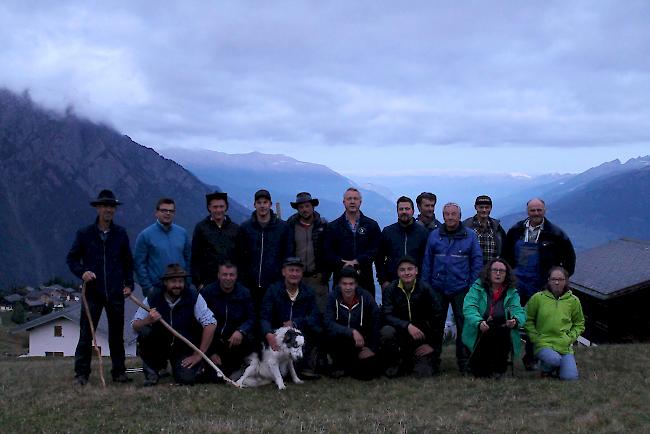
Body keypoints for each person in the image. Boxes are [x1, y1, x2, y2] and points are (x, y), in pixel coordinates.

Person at [66, 189, 134, 385]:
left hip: (115, 291)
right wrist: (82, 272)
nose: (108, 210)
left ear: (115, 209)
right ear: (97, 208)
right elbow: (71, 259)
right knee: (87, 333)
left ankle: (119, 372)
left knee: (116, 334)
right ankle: (81, 374)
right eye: (104, 206)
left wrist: (129, 284)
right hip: (93, 292)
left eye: (111, 206)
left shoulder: (120, 234)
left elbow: (128, 261)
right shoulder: (84, 234)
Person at [503, 197, 576, 370]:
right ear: (527, 211)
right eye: (532, 210)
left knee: (538, 322)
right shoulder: (515, 230)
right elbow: (505, 255)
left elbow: (570, 259)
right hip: (517, 283)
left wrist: (559, 279)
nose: (536, 213)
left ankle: (532, 358)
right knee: (508, 317)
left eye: (539, 210)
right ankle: (505, 356)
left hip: (541, 284)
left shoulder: (556, 234)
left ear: (545, 210)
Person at [421, 202, 483, 372]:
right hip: (437, 288)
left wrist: (471, 286)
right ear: (443, 216)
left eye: (453, 214)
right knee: (435, 326)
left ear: (459, 216)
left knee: (464, 326)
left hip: (461, 289)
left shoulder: (470, 236)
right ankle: (433, 362)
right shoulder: (434, 235)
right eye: (446, 214)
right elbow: (427, 262)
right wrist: (427, 287)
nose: (450, 217)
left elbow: (477, 262)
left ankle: (464, 362)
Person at [132, 264, 217, 386]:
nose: (177, 285)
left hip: (183, 346)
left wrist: (198, 355)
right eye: (173, 281)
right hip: (160, 344)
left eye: (180, 281)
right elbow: (135, 325)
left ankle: (189, 368)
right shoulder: (153, 296)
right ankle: (153, 370)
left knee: (186, 379)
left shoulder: (193, 297)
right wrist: (148, 320)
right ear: (166, 282)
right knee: (145, 332)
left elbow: (211, 323)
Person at [462, 259, 526, 378]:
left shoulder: (512, 292)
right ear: (488, 272)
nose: (498, 273)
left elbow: (519, 311)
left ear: (506, 274)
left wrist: (515, 320)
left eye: (501, 271)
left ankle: (499, 369)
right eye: (495, 270)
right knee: (487, 332)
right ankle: (481, 367)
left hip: (502, 329)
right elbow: (469, 307)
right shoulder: (476, 288)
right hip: (481, 327)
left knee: (502, 332)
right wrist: (478, 321)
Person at [381, 256, 443, 377]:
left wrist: (432, 345)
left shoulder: (426, 289)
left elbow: (438, 318)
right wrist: (407, 326)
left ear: (416, 271)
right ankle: (394, 362)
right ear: (397, 272)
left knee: (422, 374)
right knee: (386, 331)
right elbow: (387, 315)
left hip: (421, 337)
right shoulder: (390, 290)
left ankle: (420, 360)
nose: (407, 273)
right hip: (400, 335)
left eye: (410, 269)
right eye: (402, 270)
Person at [260, 257, 322, 378]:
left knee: (318, 330)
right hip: (278, 337)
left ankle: (306, 367)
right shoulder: (273, 291)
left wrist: (295, 323)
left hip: (300, 336)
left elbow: (314, 316)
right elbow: (264, 317)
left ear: (301, 273)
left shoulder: (308, 292)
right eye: (291, 270)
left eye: (297, 270)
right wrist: (268, 334)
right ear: (284, 272)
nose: (294, 274)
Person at [524, 266, 585, 381]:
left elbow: (579, 323)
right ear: (548, 280)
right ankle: (546, 369)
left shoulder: (573, 301)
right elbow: (528, 319)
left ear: (566, 281)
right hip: (543, 343)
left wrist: (570, 338)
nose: (557, 282)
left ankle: (557, 368)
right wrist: (535, 337)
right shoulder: (538, 298)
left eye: (560, 279)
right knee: (554, 360)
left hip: (564, 346)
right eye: (553, 279)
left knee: (570, 378)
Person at [200, 262, 256, 379]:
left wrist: (241, 331)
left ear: (236, 276)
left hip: (233, 341)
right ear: (218, 275)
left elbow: (251, 318)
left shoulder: (244, 293)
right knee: (213, 377)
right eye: (224, 274)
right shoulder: (207, 292)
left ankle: (240, 366)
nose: (228, 278)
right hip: (212, 341)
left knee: (251, 338)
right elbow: (198, 323)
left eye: (231, 275)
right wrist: (211, 352)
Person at [237, 189, 293, 306]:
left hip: (275, 285)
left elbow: (288, 255)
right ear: (254, 205)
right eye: (259, 202)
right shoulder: (245, 228)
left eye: (265, 202)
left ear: (270, 204)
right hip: (249, 285)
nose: (262, 206)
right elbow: (240, 257)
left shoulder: (283, 228)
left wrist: (283, 280)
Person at [324, 267, 380, 380]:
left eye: (351, 284)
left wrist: (372, 348)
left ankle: (347, 367)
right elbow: (328, 322)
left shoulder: (366, 297)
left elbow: (377, 321)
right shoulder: (332, 297)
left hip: (361, 342)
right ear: (339, 284)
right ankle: (339, 364)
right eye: (344, 284)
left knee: (367, 375)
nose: (348, 287)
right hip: (340, 340)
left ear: (356, 284)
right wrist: (351, 331)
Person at [324, 187, 381, 295]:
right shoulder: (333, 227)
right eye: (349, 199)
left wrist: (358, 261)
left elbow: (375, 250)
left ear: (360, 202)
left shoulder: (371, 225)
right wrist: (342, 263)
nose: (352, 201)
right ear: (344, 202)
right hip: (341, 278)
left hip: (365, 279)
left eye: (355, 198)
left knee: (366, 309)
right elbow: (328, 252)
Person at [134, 198, 191, 297]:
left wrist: (188, 283)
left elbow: (189, 259)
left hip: (180, 288)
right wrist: (148, 288)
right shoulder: (145, 235)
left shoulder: (182, 233)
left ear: (174, 213)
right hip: (156, 289)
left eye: (171, 211)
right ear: (156, 213)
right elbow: (139, 264)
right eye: (164, 210)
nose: (167, 213)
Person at [287, 192, 330, 311]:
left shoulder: (323, 226)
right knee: (298, 314)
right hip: (296, 279)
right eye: (301, 207)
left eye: (307, 206)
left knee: (321, 313)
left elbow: (328, 251)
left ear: (313, 206)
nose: (304, 209)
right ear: (297, 209)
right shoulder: (290, 226)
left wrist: (325, 274)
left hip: (317, 278)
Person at [376, 196, 429, 290]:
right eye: (401, 209)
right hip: (392, 285)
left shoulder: (423, 233)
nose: (404, 211)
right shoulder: (388, 232)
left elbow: (427, 260)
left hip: (417, 286)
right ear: (397, 212)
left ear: (413, 211)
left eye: (407, 209)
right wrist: (383, 281)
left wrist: (424, 283)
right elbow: (379, 259)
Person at [191, 191, 240, 289]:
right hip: (208, 283)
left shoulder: (235, 229)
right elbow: (195, 258)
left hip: (231, 282)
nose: (218, 210)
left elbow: (240, 257)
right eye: (215, 207)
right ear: (209, 208)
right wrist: (198, 283)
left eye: (221, 206)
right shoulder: (201, 228)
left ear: (226, 207)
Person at [463, 195, 507, 265]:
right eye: (481, 207)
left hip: (491, 271)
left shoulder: (497, 228)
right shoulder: (466, 226)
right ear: (475, 207)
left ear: (491, 208)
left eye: (487, 207)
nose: (484, 210)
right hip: (472, 270)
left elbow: (504, 249)